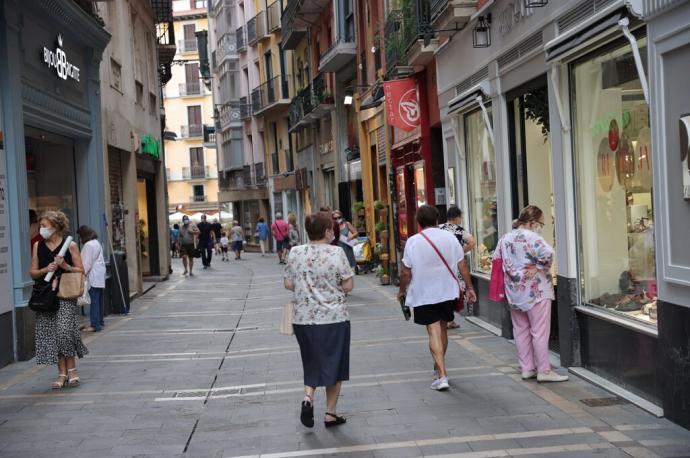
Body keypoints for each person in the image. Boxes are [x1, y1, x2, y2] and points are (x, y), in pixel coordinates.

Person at [284, 212, 354, 428]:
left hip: (303, 319)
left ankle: (308, 398)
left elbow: (288, 283)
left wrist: (307, 287)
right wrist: (331, 288)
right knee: (335, 364)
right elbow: (349, 285)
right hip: (334, 318)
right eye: (331, 229)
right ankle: (330, 414)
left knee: (312, 360)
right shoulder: (337, 252)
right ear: (326, 232)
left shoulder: (295, 252)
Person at [397, 205, 477, 391]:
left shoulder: (413, 241)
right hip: (448, 291)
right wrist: (470, 288)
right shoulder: (450, 238)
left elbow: (405, 272)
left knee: (433, 332)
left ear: (418, 222)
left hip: (425, 292)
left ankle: (442, 375)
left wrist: (402, 290)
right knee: (442, 330)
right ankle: (438, 366)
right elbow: (462, 265)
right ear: (436, 219)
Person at [494, 205, 568, 383]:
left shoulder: (505, 238)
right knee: (539, 331)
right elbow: (549, 253)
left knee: (520, 330)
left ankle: (527, 368)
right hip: (537, 291)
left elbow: (497, 258)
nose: (541, 227)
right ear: (533, 222)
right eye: (541, 223)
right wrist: (539, 267)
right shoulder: (532, 237)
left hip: (514, 291)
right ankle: (544, 370)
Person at [30, 211, 88, 389]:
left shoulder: (69, 245)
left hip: (65, 293)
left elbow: (81, 270)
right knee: (52, 335)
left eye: (44, 226)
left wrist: (65, 266)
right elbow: (32, 272)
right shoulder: (38, 245)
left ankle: (72, 370)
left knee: (64, 332)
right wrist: (45, 269)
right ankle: (61, 373)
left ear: (55, 227)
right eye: (41, 226)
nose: (41, 229)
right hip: (46, 295)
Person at [439, 206, 476, 329]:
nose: (460, 220)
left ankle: (442, 318)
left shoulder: (439, 228)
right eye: (460, 217)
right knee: (453, 291)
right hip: (455, 266)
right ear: (456, 217)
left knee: (442, 290)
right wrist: (461, 251)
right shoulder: (460, 230)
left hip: (440, 265)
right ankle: (449, 319)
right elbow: (472, 242)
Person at [77, 226, 106, 333]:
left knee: (94, 301)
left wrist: (81, 273)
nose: (80, 239)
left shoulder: (88, 245)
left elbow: (86, 263)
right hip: (99, 276)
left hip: (93, 277)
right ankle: (100, 322)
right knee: (98, 300)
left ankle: (95, 325)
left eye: (80, 237)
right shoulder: (96, 243)